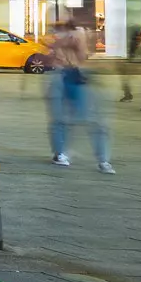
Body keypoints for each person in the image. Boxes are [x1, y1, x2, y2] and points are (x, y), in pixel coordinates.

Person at [46, 20, 113, 173]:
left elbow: (82, 57)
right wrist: (59, 46)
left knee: (90, 120)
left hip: (76, 76)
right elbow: (49, 57)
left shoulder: (78, 36)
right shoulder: (55, 38)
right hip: (61, 76)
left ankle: (102, 159)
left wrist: (74, 46)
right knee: (61, 119)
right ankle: (60, 153)